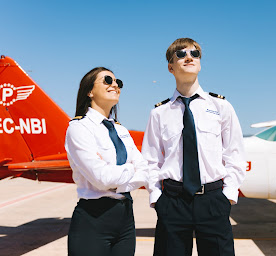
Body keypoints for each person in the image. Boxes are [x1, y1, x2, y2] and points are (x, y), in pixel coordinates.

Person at [142, 38, 246, 256]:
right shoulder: (159, 113)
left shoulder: (221, 107)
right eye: (181, 54)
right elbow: (150, 161)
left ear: (200, 62)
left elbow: (235, 155)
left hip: (213, 201)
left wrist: (227, 195)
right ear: (171, 67)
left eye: (195, 53)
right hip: (172, 202)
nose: (189, 57)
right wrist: (157, 198)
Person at [65, 67, 148, 256]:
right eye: (108, 80)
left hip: (126, 219)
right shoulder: (79, 128)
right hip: (94, 219)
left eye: (118, 83)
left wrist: (120, 175)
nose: (115, 85)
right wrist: (130, 170)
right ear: (89, 91)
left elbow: (144, 171)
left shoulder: (121, 131)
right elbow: (102, 178)